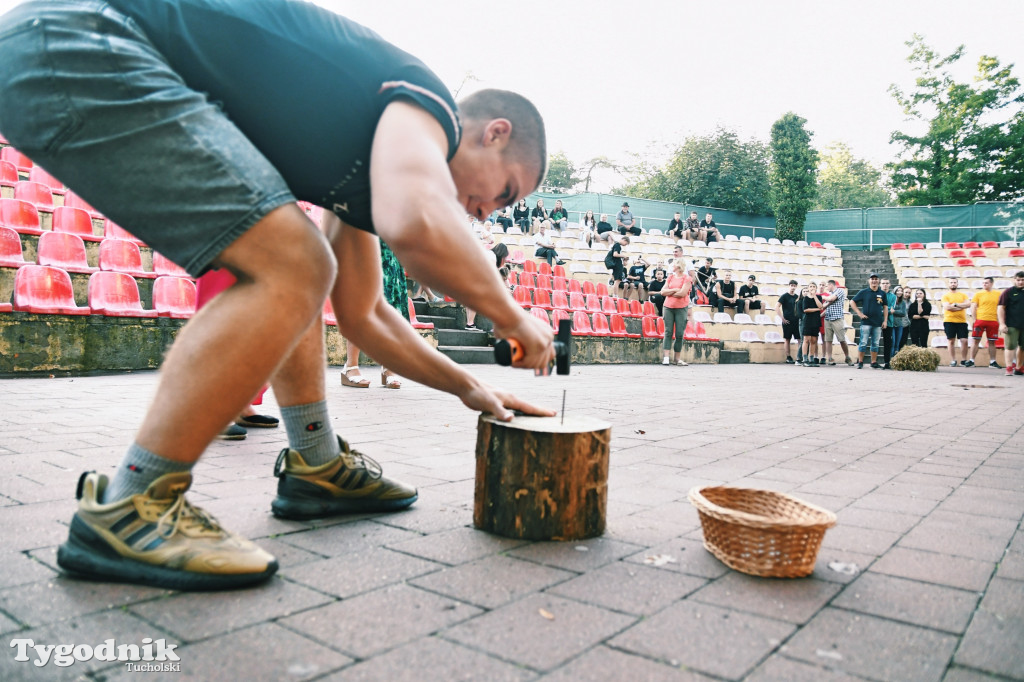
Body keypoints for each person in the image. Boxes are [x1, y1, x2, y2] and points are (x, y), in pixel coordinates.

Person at [0, 0, 558, 591]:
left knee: (298, 264)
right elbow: (417, 223)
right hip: (82, 38)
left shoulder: (372, 178)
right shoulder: (431, 104)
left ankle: (316, 467)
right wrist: (513, 315)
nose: (489, 211)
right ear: (495, 134)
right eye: (505, 191)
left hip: (60, 55)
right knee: (295, 260)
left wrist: (471, 387)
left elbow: (364, 316)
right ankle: (131, 507)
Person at [850, 274, 889, 369]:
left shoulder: (882, 293)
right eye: (872, 279)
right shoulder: (864, 292)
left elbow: (885, 307)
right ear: (869, 281)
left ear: (878, 281)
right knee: (863, 342)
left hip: (878, 322)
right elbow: (852, 302)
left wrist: (885, 321)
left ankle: (874, 362)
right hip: (866, 322)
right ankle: (860, 362)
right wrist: (859, 313)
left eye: (876, 279)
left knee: (875, 343)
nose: (874, 281)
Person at [660, 260, 692, 366]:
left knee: (679, 334)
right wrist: (675, 289)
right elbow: (662, 292)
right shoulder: (670, 277)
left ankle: (677, 358)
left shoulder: (687, 278)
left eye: (673, 265)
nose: (672, 266)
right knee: (668, 332)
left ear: (678, 266)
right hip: (668, 307)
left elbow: (682, 293)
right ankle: (666, 357)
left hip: (681, 308)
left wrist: (670, 292)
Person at [966, 277, 1002, 368]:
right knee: (976, 340)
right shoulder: (978, 294)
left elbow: (1001, 307)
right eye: (983, 283)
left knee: (992, 342)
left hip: (993, 320)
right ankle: (971, 361)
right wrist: (975, 320)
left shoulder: (998, 294)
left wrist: (1000, 320)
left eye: (986, 283)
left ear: (991, 283)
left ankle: (993, 362)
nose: (984, 284)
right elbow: (973, 306)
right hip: (980, 320)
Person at [819, 279, 852, 365]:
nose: (826, 288)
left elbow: (831, 299)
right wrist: (820, 314)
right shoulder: (829, 294)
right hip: (828, 318)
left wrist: (822, 297)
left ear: (831, 285)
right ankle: (830, 358)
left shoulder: (839, 291)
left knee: (841, 339)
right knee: (828, 340)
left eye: (827, 286)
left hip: (837, 318)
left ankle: (847, 356)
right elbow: (825, 306)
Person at [997, 271, 1024, 376]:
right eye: (1018, 280)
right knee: (1010, 346)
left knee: (1023, 347)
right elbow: (1001, 308)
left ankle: (1019, 367)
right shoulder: (1008, 292)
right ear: (1014, 280)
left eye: (1022, 280)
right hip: (1011, 324)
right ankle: (1009, 368)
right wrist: (1002, 323)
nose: (1020, 282)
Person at [941, 277, 971, 367]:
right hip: (949, 320)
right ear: (948, 284)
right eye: (951, 282)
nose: (953, 284)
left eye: (954, 282)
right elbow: (947, 307)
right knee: (951, 341)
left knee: (964, 340)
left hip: (961, 321)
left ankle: (964, 360)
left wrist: (955, 304)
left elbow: (968, 304)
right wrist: (961, 307)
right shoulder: (945, 296)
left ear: (957, 284)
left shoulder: (963, 295)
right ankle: (953, 360)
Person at [776, 279, 801, 364]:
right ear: (789, 286)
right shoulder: (784, 296)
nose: (793, 287)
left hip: (797, 320)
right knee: (787, 339)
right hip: (787, 321)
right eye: (792, 285)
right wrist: (782, 318)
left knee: (799, 339)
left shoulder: (797, 297)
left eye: (794, 286)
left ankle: (800, 356)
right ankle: (788, 356)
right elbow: (777, 307)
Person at [800, 282, 823, 367]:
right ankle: (804, 358)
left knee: (814, 340)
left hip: (816, 320)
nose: (812, 288)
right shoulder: (805, 298)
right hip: (808, 320)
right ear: (808, 288)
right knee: (806, 339)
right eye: (810, 286)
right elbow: (806, 310)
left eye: (814, 286)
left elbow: (821, 306)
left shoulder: (819, 297)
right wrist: (817, 309)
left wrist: (815, 296)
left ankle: (811, 359)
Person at [879, 278, 897, 369]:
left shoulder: (893, 296)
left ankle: (887, 362)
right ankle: (874, 361)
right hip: (877, 321)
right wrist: (887, 310)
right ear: (880, 284)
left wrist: (885, 311)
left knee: (887, 342)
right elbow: (877, 308)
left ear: (889, 284)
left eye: (886, 283)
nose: (885, 285)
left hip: (889, 322)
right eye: (883, 283)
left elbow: (892, 309)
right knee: (875, 342)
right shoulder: (877, 295)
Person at [890, 285, 909, 357]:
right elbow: (889, 310)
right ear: (895, 291)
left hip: (899, 325)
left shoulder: (903, 302)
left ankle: (895, 360)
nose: (900, 292)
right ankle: (891, 359)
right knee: (893, 342)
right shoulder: (892, 301)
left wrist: (894, 311)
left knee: (897, 343)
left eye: (901, 291)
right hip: (892, 324)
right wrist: (897, 312)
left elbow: (903, 313)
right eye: (898, 290)